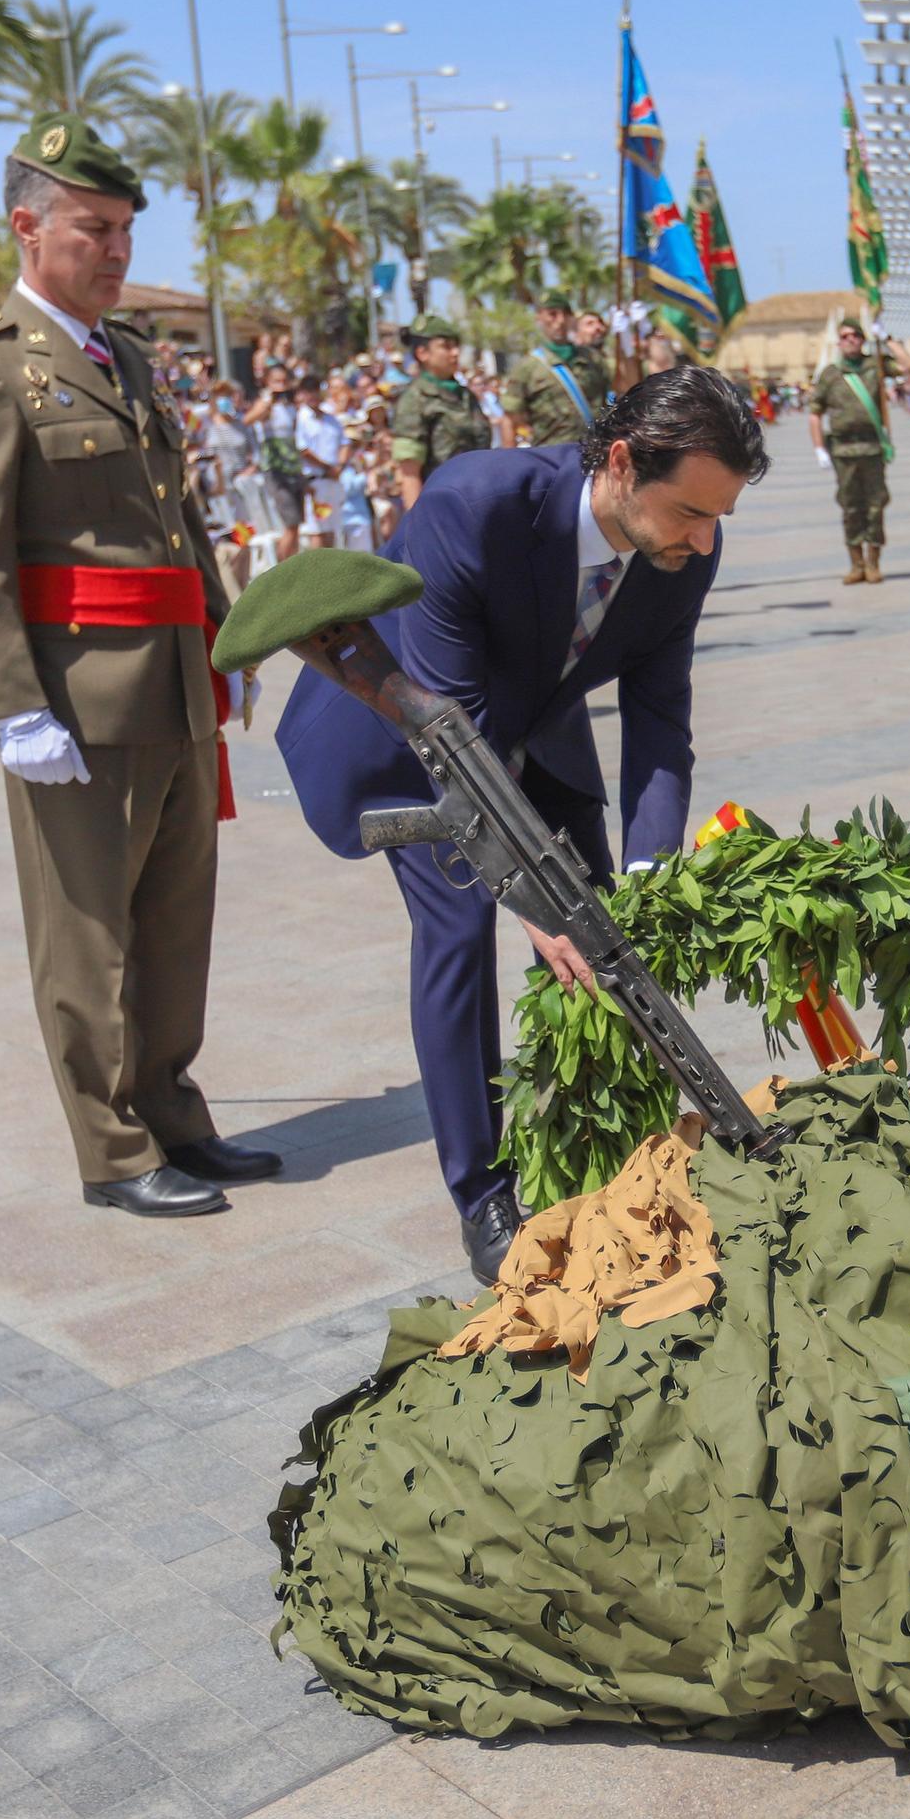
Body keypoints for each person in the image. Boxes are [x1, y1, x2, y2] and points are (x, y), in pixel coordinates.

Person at [276, 368, 769, 1281]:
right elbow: (450, 735)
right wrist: (534, 903)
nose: (704, 542)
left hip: (530, 731)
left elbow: (660, 719)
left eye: (720, 518)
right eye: (692, 513)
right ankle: (482, 1192)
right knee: (463, 925)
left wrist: (650, 875)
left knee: (612, 930)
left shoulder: (685, 548)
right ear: (621, 463)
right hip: (400, 730)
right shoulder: (480, 502)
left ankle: (610, 1139)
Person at [0, 112, 279, 1215]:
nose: (113, 250)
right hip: (75, 699)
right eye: (90, 228)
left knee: (172, 920)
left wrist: (226, 636)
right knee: (88, 933)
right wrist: (16, 704)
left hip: (169, 683)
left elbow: (185, 521)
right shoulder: (11, 366)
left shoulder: (134, 360)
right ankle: (112, 1151)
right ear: (27, 227)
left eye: (123, 230)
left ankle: (171, 1111)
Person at [809, 319, 890, 584]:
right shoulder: (830, 374)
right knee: (850, 506)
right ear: (839, 342)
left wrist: (888, 341)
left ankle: (873, 561)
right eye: (845, 336)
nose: (851, 339)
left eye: (856, 335)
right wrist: (819, 448)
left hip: (872, 447)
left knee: (876, 505)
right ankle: (856, 564)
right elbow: (815, 413)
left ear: (863, 339)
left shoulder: (875, 367)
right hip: (843, 450)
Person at [390, 314, 491, 510]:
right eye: (446, 347)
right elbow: (409, 473)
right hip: (441, 508)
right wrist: (420, 527)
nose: (455, 353)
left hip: (477, 503)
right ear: (422, 353)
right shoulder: (415, 400)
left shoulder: (465, 396)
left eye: (456, 346)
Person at [500, 289, 609, 447]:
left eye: (566, 314)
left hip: (592, 451)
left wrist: (626, 344)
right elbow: (510, 419)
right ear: (539, 317)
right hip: (550, 457)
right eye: (552, 314)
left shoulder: (592, 359)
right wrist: (508, 465)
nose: (560, 321)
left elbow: (623, 387)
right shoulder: (528, 367)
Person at [244, 361, 303, 560]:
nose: (281, 385)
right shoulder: (264, 403)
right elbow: (248, 420)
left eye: (284, 381)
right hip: (276, 470)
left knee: (296, 526)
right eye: (276, 381)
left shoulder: (290, 406)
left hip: (294, 468)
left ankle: (292, 567)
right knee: (291, 523)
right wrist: (267, 402)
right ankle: (282, 571)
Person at [294, 371, 345, 548]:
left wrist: (339, 466)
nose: (313, 395)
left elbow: (344, 443)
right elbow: (303, 450)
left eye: (315, 390)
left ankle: (329, 573)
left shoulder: (331, 419)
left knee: (331, 529)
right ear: (302, 394)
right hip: (314, 481)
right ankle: (317, 573)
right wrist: (327, 468)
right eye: (308, 391)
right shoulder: (300, 418)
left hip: (333, 479)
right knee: (317, 530)